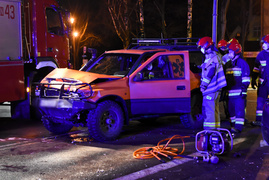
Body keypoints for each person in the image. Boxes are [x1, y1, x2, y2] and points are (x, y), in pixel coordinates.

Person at [197, 36, 227, 130]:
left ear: (206, 46)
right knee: (215, 110)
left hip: (211, 89)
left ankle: (209, 132)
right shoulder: (215, 56)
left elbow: (210, 73)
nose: (201, 49)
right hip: (215, 89)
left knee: (209, 111)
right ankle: (216, 131)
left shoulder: (212, 57)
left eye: (201, 47)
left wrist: (203, 86)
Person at [224, 40, 250, 133]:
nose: (229, 54)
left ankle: (238, 127)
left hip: (239, 93)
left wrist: (243, 90)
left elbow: (246, 79)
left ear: (236, 52)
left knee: (239, 111)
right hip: (230, 93)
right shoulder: (228, 64)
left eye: (230, 52)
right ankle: (233, 126)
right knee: (231, 111)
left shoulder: (242, 63)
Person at [251, 34, 269, 126]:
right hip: (263, 84)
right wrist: (253, 79)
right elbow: (256, 68)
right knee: (260, 103)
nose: (263, 45)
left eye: (265, 43)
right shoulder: (261, 55)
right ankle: (259, 120)